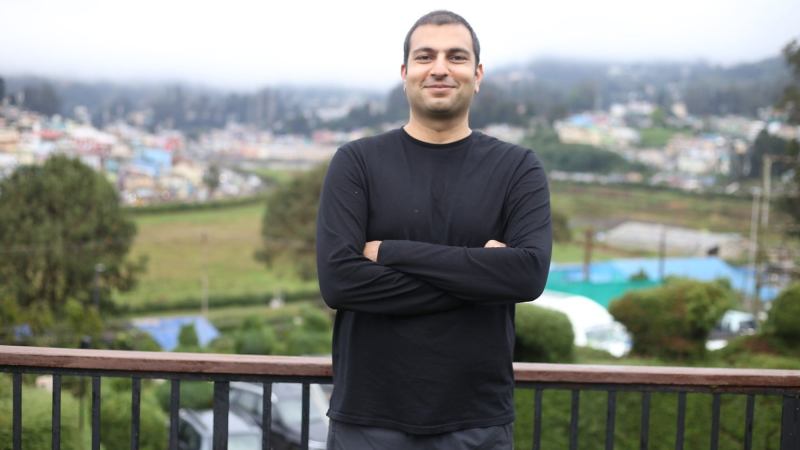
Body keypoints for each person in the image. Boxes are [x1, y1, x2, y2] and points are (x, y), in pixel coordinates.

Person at [315, 10, 552, 450]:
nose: (440, 68)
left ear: (477, 75)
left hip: (477, 423)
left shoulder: (518, 168)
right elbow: (339, 282)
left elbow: (527, 275)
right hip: (367, 420)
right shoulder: (357, 162)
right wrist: (483, 277)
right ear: (405, 72)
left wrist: (391, 253)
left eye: (456, 57)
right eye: (425, 56)